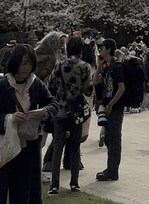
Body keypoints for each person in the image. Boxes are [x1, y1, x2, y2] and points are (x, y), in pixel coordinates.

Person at [0, 42, 58, 204]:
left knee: (26, 194)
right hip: (4, 146)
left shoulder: (36, 84)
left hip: (28, 149)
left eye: (30, 64)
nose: (27, 68)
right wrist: (9, 119)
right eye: (23, 63)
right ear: (16, 62)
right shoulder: (1, 87)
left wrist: (44, 111)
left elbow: (53, 104)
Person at [46, 35, 93, 194]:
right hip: (76, 111)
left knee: (57, 146)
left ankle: (54, 184)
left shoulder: (59, 65)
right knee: (75, 147)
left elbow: (51, 85)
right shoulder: (85, 67)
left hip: (60, 110)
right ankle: (74, 182)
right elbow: (88, 90)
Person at [94, 38, 126, 182]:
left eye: (102, 48)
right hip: (107, 106)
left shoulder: (117, 66)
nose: (100, 50)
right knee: (108, 138)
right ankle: (110, 168)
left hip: (115, 108)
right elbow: (95, 82)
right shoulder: (106, 66)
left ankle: (113, 171)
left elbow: (121, 88)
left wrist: (111, 105)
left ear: (108, 49)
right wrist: (98, 67)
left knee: (114, 138)